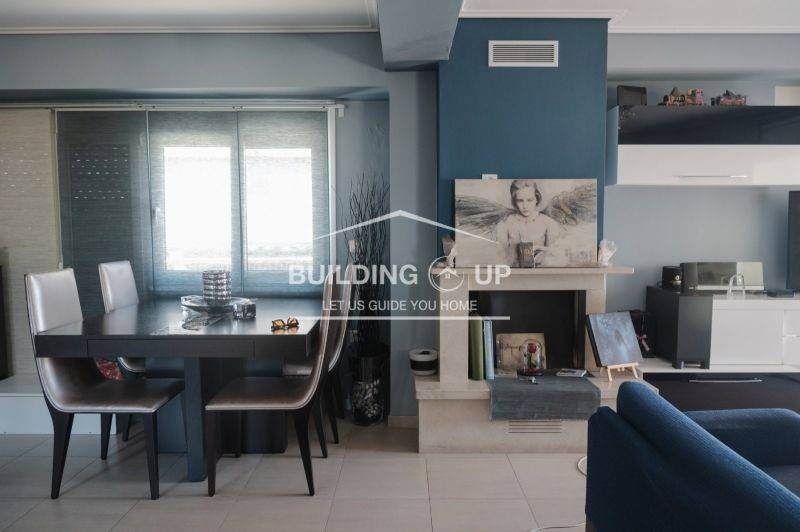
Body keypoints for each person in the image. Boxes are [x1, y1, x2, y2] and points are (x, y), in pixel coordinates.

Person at [494, 180, 562, 266]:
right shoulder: (505, 224)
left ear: (537, 199)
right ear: (514, 201)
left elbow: (555, 257)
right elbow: (499, 257)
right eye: (520, 200)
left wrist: (541, 251)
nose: (525, 206)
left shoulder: (549, 223)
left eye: (529, 200)